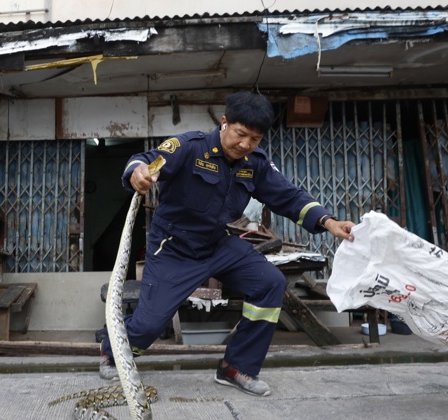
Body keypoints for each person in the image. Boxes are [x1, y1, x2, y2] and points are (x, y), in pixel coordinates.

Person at [100, 91, 356, 396]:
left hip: (217, 244)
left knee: (270, 283)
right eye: (241, 134)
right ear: (224, 123)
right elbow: (145, 161)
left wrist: (328, 221)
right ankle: (112, 353)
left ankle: (236, 367)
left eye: (255, 139)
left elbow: (289, 196)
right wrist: (137, 173)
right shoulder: (189, 147)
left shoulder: (255, 164)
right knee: (150, 325)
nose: (246, 144)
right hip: (173, 246)